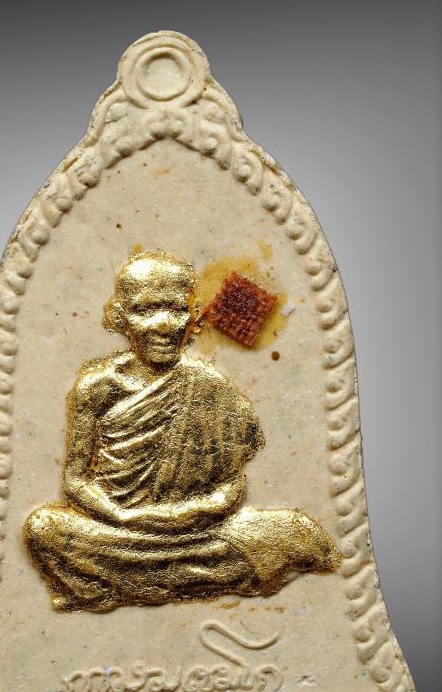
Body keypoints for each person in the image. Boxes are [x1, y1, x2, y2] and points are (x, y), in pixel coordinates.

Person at [24, 252, 340, 612]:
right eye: (145, 310)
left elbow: (232, 485)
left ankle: (125, 579)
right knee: (42, 527)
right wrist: (122, 516)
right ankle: (186, 576)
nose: (163, 324)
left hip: (196, 529)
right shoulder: (97, 387)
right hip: (120, 529)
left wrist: (194, 513)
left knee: (291, 531)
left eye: (176, 309)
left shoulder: (211, 387)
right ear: (120, 316)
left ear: (194, 316)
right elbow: (76, 480)